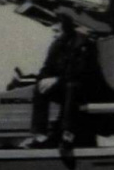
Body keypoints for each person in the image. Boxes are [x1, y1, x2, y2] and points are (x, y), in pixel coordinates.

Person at [23, 14, 93, 150]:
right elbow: (46, 68)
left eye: (57, 31)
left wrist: (57, 79)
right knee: (39, 87)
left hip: (83, 87)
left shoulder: (82, 44)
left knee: (72, 87)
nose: (54, 35)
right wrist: (43, 80)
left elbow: (81, 71)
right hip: (64, 84)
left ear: (67, 30)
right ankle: (39, 134)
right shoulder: (56, 45)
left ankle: (67, 134)